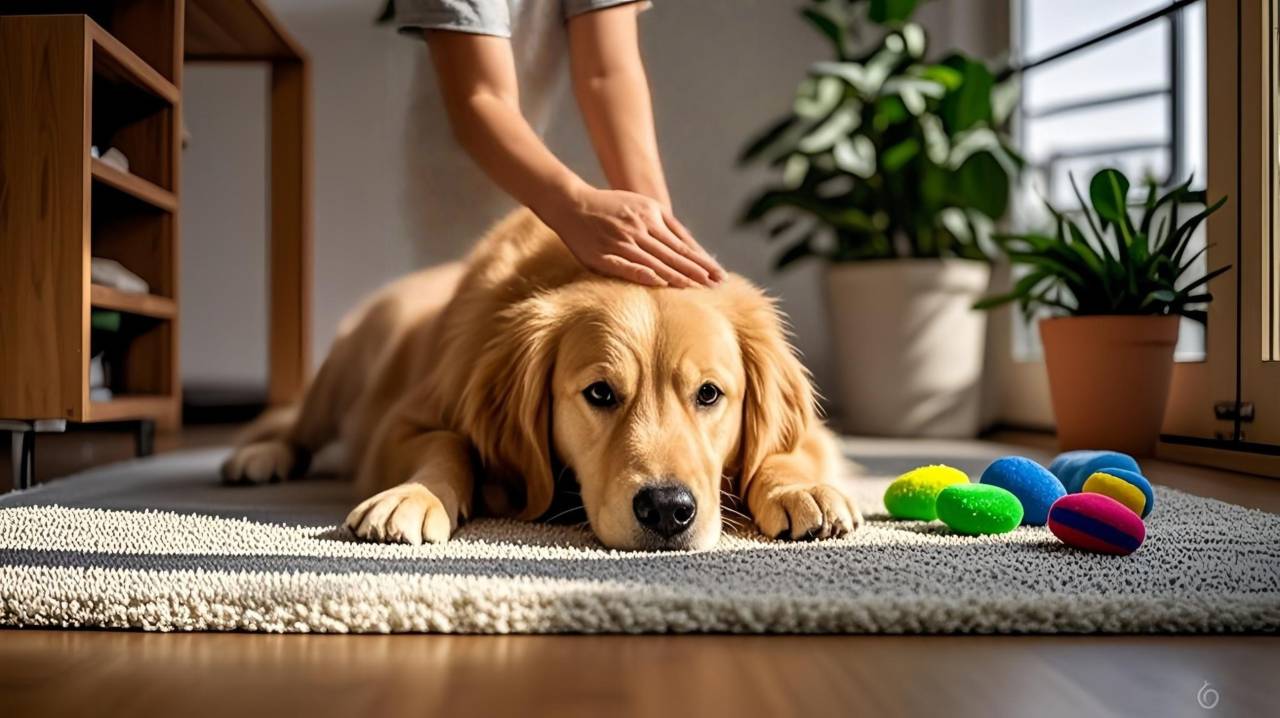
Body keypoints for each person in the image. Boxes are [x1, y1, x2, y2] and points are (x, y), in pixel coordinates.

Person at [391, 0, 724, 288]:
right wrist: (576, 204)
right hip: (462, 190)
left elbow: (607, 73)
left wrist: (659, 230)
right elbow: (481, 98)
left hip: (576, 200)